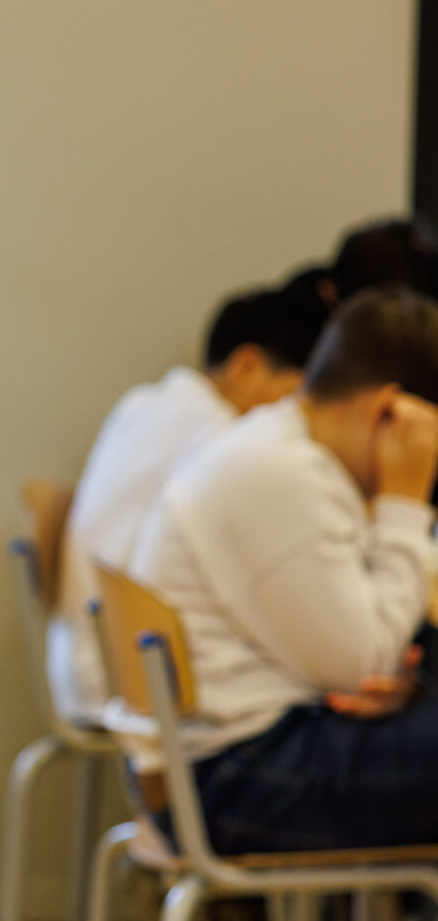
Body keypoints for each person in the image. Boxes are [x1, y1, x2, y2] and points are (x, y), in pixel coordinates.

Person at [122, 285, 438, 853]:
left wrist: (398, 682)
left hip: (222, 760)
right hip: (234, 775)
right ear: (392, 414)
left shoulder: (276, 447)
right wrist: (405, 498)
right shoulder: (281, 472)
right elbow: (365, 664)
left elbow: (365, 660)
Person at [48, 280, 329, 723]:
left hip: (83, 658)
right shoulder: (225, 442)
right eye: (295, 393)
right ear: (246, 366)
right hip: (132, 680)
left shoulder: (144, 403)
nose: (300, 415)